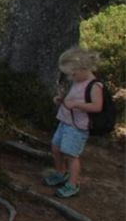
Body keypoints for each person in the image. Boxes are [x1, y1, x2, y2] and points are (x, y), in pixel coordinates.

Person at [44, 47, 103, 198]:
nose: (71, 77)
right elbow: (73, 98)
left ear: (83, 68)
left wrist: (76, 105)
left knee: (71, 154)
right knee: (56, 147)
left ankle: (72, 183)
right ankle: (60, 173)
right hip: (65, 122)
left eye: (72, 74)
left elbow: (97, 106)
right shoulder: (78, 80)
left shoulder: (94, 85)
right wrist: (62, 100)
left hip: (77, 127)